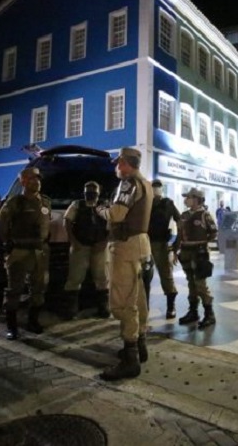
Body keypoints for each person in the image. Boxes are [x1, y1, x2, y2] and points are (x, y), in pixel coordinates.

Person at [96, 147, 153, 381]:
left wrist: (100, 210)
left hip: (126, 246)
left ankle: (130, 360)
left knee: (123, 301)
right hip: (141, 244)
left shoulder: (128, 183)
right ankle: (140, 347)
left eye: (117, 163)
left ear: (124, 163)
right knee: (138, 297)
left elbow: (117, 215)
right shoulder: (146, 183)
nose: (116, 168)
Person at [0, 167, 52, 340]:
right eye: (31, 178)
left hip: (40, 251)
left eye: (38, 178)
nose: (36, 181)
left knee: (39, 288)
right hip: (19, 251)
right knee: (14, 289)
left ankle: (33, 322)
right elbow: (2, 227)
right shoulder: (15, 202)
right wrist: (9, 245)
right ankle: (12, 327)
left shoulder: (45, 201)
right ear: (22, 181)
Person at [62, 181, 110, 320]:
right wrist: (73, 241)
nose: (90, 194)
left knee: (102, 277)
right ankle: (71, 309)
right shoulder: (77, 204)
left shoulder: (104, 205)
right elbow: (67, 221)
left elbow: (113, 223)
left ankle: (103, 307)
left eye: (93, 191)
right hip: (80, 246)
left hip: (99, 247)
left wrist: (105, 242)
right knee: (75, 278)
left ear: (98, 192)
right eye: (87, 191)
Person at [176, 188, 218, 330]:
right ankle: (193, 312)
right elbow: (180, 234)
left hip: (199, 253)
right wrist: (175, 250)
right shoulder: (183, 215)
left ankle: (209, 314)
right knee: (190, 283)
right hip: (186, 252)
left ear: (196, 199)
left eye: (188, 197)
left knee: (200, 284)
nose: (185, 200)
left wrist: (202, 243)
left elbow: (213, 232)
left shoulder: (205, 215)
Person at [148, 179, 181, 319]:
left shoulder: (168, 203)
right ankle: (144, 306)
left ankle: (171, 306)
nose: (155, 189)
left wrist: (176, 245)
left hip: (161, 243)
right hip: (145, 242)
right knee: (143, 276)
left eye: (158, 187)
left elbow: (179, 220)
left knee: (166, 275)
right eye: (153, 187)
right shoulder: (145, 202)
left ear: (161, 189)